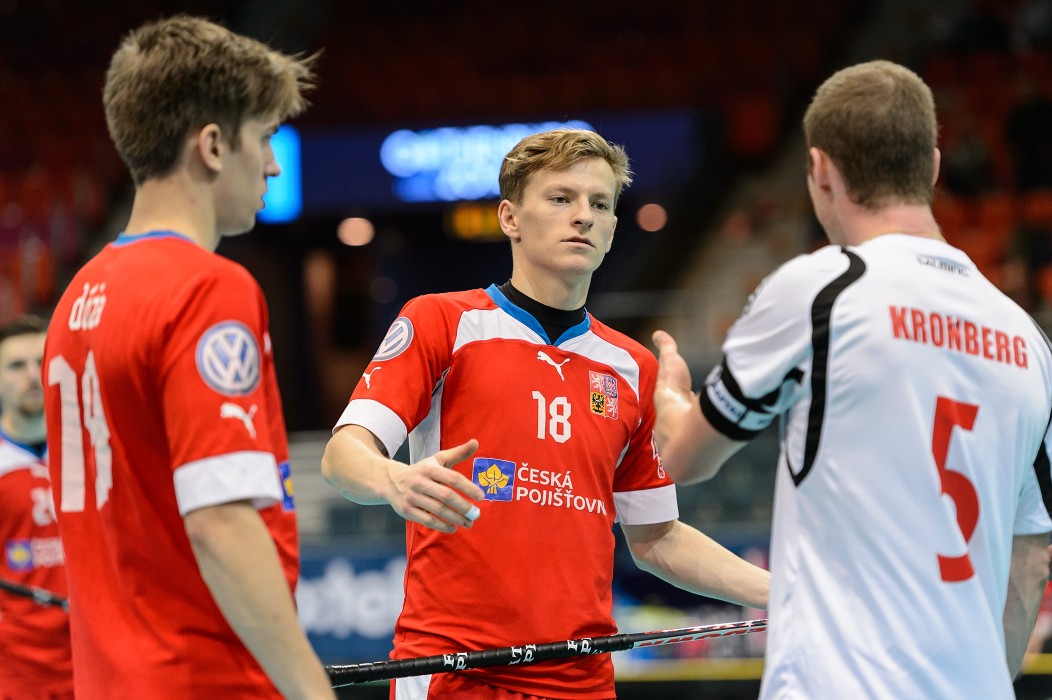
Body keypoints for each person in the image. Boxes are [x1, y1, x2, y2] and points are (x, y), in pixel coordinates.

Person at [321, 128, 770, 700]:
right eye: (561, 198)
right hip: (454, 675)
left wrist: (783, 591)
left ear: (611, 229)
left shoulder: (633, 367)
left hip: (581, 681)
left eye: (600, 204)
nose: (582, 215)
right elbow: (342, 455)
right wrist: (394, 478)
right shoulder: (443, 322)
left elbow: (657, 539)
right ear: (510, 217)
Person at [651, 59, 1052, 698]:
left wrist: (670, 391)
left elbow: (684, 460)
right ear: (935, 166)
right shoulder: (1027, 338)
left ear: (820, 171)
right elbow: (1030, 564)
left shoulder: (822, 288)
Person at [42, 16, 334, 700]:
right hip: (206, 678)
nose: (272, 163)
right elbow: (220, 522)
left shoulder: (77, 295)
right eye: (263, 138)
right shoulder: (209, 287)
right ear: (210, 145)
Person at [0, 315, 72, 699]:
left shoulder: (90, 455)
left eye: (41, 362)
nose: (32, 374)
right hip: (18, 679)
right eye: (16, 365)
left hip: (96, 668)